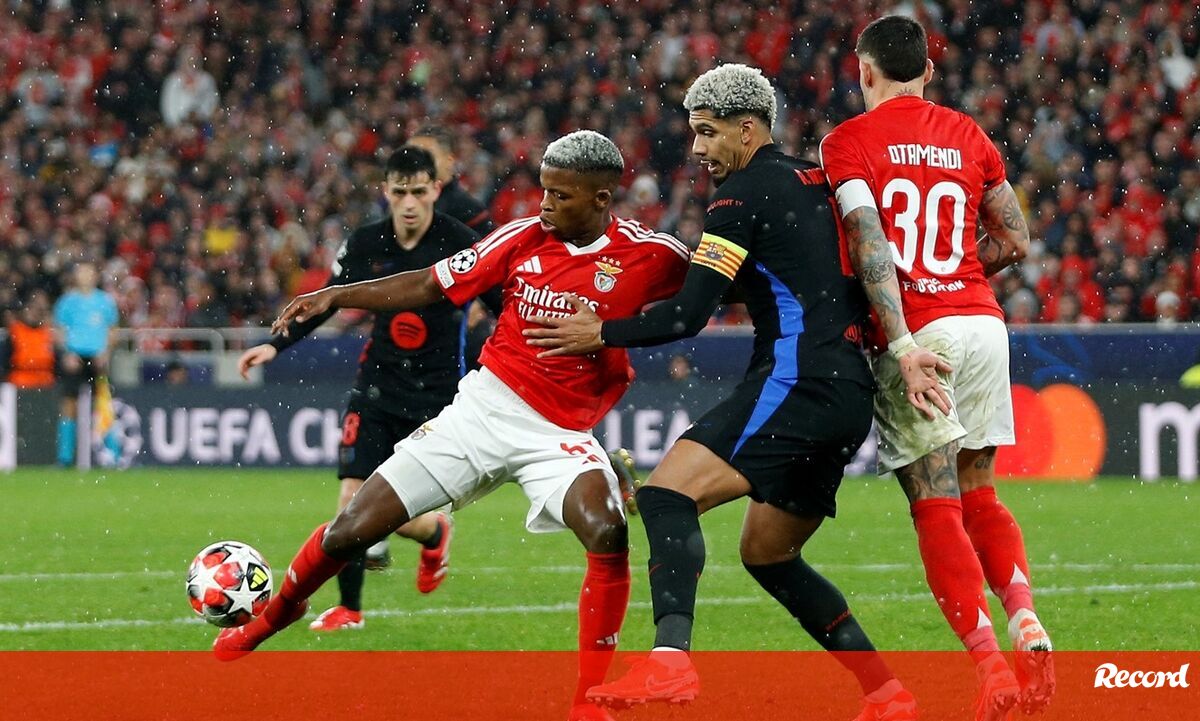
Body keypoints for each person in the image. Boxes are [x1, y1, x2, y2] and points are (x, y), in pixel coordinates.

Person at [214, 130, 691, 721]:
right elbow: (427, 283)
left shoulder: (653, 255)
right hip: (481, 411)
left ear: (601, 198)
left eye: (559, 195)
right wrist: (337, 296)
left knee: (608, 531)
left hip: (560, 436)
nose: (543, 205)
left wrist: (616, 333)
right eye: (543, 190)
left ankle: (587, 703)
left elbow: (710, 294)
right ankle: (275, 615)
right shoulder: (519, 237)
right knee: (350, 531)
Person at [525, 64, 933, 721]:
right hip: (848, 391)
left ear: (749, 130)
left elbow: (691, 313)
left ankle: (669, 661)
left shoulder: (740, 196)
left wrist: (602, 331)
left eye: (709, 133)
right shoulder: (818, 181)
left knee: (666, 495)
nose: (698, 148)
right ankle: (887, 693)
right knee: (769, 555)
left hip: (797, 379)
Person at [819, 15, 1052, 720]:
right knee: (979, 488)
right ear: (927, 70)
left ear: (865, 71)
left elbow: (868, 244)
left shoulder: (848, 141)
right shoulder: (968, 134)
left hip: (921, 334)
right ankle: (1024, 617)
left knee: (935, 502)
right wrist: (956, 274)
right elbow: (1016, 236)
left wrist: (902, 333)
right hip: (983, 322)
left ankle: (990, 666)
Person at [236, 147, 471, 631]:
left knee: (398, 513)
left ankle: (433, 534)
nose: (409, 203)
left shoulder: (460, 242)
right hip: (377, 386)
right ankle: (350, 609)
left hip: (437, 396)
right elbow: (327, 301)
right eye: (400, 192)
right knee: (351, 501)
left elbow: (502, 299)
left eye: (419, 192)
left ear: (436, 190)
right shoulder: (367, 242)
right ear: (386, 191)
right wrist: (276, 347)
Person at [53, 262, 119, 466]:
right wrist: (66, 353)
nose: (85, 276)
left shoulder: (105, 301)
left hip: (97, 357)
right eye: (81, 272)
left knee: (103, 403)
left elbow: (112, 329)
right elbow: (58, 330)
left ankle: (112, 454)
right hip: (75, 356)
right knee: (69, 404)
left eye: (88, 272)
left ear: (95, 276)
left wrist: (106, 353)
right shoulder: (67, 301)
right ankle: (65, 457)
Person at [407, 125, 495, 235]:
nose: (417, 162)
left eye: (428, 156)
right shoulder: (401, 203)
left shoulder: (468, 210)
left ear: (450, 160)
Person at [4, 290, 56, 389]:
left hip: (45, 382)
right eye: (30, 309)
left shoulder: (48, 333)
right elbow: (5, 359)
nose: (34, 313)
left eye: (37, 310)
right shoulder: (14, 332)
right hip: (19, 381)